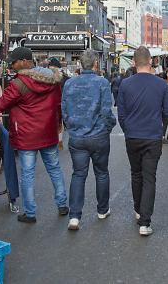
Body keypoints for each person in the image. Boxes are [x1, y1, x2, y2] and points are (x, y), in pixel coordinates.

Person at [0, 47, 68, 223]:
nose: (12, 66)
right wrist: (57, 123)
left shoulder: (18, 84)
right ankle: (62, 205)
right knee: (54, 169)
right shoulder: (52, 81)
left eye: (14, 62)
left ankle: (30, 213)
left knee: (27, 174)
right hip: (48, 132)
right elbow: (59, 105)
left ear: (24, 62)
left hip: (27, 136)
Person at [117, 46, 168, 236]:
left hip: (132, 136)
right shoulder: (161, 84)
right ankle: (145, 223)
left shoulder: (125, 84)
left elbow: (121, 114)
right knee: (149, 177)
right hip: (152, 136)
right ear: (151, 62)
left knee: (136, 174)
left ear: (133, 62)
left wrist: (128, 128)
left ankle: (138, 210)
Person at [61, 50, 117, 230]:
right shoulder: (102, 83)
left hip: (77, 136)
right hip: (98, 136)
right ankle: (102, 210)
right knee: (101, 173)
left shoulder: (69, 84)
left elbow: (64, 111)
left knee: (78, 174)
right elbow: (107, 111)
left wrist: (72, 128)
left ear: (80, 65)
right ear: (95, 64)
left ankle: (74, 217)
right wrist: (107, 128)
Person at [49, 58, 68, 150]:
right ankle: (59, 141)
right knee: (61, 122)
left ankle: (53, 140)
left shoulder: (48, 77)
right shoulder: (64, 77)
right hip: (63, 102)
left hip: (51, 103)